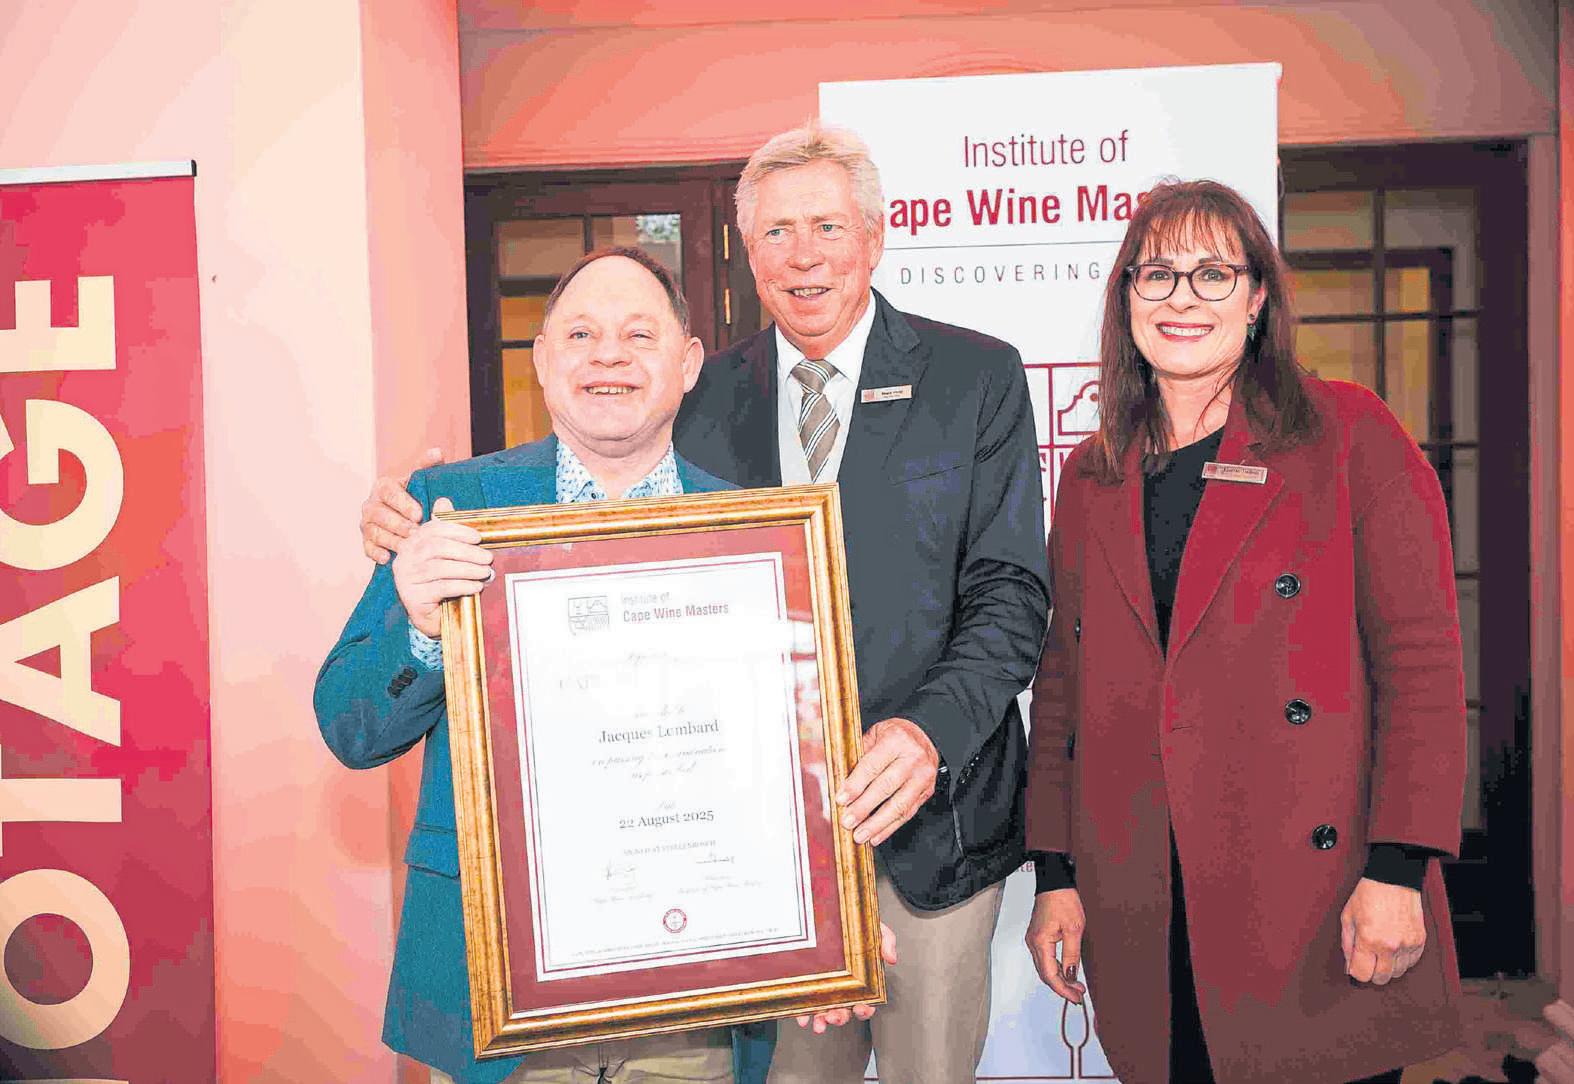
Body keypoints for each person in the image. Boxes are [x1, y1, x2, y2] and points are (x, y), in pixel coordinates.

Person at [360, 122, 1050, 1084]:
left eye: (826, 227)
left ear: (876, 235)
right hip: (746, 858)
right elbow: (599, 528)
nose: (803, 255)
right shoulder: (695, 391)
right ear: (747, 253)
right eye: (776, 233)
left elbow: (1011, 594)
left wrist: (928, 735)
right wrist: (404, 528)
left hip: (928, 828)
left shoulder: (976, 376)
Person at [316, 248, 885, 1084]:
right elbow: (350, 726)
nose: (608, 355)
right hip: (496, 1005)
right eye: (581, 334)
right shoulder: (450, 508)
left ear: (687, 364)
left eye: (639, 334)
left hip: (694, 1005)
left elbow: (791, 762)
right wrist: (421, 625)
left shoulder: (753, 535)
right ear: (544, 359)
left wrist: (828, 927)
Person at [1023, 179, 1466, 1084]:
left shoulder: (1349, 435)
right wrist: (1055, 874)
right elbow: (1064, 683)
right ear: (1127, 298)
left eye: (1213, 273)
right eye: (1157, 274)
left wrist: (1400, 868)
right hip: (1144, 893)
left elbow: (1420, 668)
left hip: (1314, 894)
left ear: (1258, 297)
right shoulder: (1093, 474)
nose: (1182, 298)